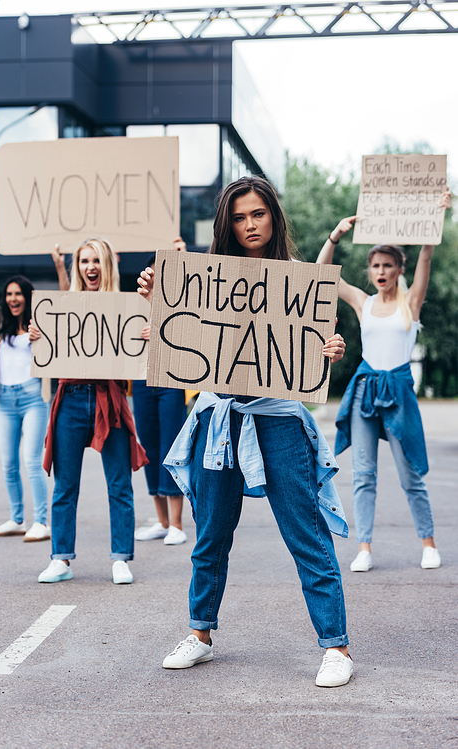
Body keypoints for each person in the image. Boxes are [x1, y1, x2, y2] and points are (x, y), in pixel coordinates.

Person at [137, 176, 353, 688]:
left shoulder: (299, 279)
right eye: (238, 216)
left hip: (277, 420)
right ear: (225, 224)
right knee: (210, 535)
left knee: (306, 535)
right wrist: (154, 303)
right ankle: (200, 634)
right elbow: (180, 341)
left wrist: (330, 350)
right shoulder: (205, 279)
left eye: (257, 213)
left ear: (273, 217)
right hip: (219, 420)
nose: (249, 224)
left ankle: (336, 647)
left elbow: (315, 345)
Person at [316, 187, 452, 573]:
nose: (380, 272)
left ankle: (428, 543)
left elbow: (427, 252)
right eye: (375, 266)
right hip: (364, 391)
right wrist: (335, 235)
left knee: (410, 472)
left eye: (387, 266)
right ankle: (364, 548)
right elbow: (323, 276)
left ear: (398, 270)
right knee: (363, 474)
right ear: (370, 270)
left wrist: (437, 215)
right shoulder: (364, 302)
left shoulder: (411, 304)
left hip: (398, 391)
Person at [31, 237, 148, 584]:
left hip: (107, 398)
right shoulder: (61, 306)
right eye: (83, 261)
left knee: (119, 483)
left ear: (106, 266)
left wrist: (147, 333)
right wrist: (38, 334)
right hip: (70, 398)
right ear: (77, 267)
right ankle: (61, 559)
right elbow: (47, 343)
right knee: (65, 486)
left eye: (96, 261)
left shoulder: (126, 307)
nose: (90, 267)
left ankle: (120, 559)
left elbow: (138, 352)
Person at [0, 233, 50, 542]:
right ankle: (17, 518)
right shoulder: (0, 319)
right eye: (9, 294)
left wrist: (40, 338)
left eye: (18, 294)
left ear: (28, 296)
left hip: (33, 397)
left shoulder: (40, 324)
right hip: (4, 398)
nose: (13, 298)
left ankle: (41, 522)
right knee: (8, 463)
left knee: (31, 461)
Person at [133, 244, 188, 546]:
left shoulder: (183, 303)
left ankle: (177, 524)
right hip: (141, 381)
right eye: (152, 270)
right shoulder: (133, 304)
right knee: (149, 449)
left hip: (171, 380)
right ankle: (162, 521)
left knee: (171, 447)